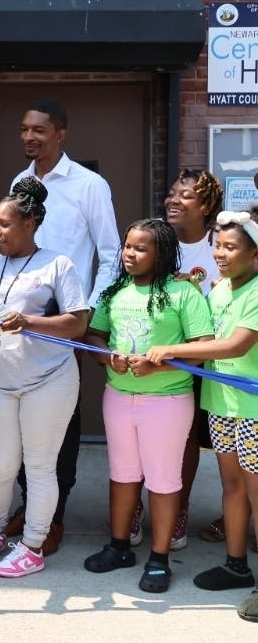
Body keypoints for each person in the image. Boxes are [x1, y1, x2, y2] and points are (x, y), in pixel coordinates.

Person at [0, 177, 89, 579]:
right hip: (2, 382)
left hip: (49, 380)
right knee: (0, 467)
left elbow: (78, 323)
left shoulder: (58, 264)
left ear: (29, 225)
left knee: (39, 467)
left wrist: (29, 321)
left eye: (4, 224)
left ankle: (32, 546)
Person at [4, 99, 120, 554]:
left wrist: (88, 311)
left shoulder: (89, 185)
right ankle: (29, 504)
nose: (29, 137)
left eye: (39, 130)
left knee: (60, 421)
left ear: (60, 134)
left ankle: (54, 515)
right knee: (20, 413)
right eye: (24, 129)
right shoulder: (21, 183)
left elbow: (110, 255)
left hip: (65, 316)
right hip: (20, 317)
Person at [82, 218, 212, 593]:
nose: (130, 254)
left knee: (163, 478)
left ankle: (159, 559)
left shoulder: (183, 293)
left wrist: (162, 363)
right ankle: (119, 546)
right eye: (128, 246)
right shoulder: (115, 292)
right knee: (122, 474)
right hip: (118, 397)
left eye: (141, 248)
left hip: (167, 401)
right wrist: (108, 356)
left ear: (163, 253)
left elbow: (203, 346)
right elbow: (94, 335)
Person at [146, 208, 258, 619]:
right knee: (232, 487)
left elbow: (235, 344)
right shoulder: (220, 289)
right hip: (221, 402)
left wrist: (172, 350)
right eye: (218, 246)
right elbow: (207, 330)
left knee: (256, 493)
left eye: (231, 247)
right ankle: (236, 566)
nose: (221, 254)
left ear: (255, 253)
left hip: (253, 409)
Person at [164, 169, 227, 550]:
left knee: (217, 440)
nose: (173, 200)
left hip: (214, 358)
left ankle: (223, 511)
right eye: (172, 192)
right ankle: (162, 507)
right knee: (169, 436)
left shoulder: (221, 244)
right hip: (166, 356)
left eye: (184, 195)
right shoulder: (158, 240)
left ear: (205, 206)